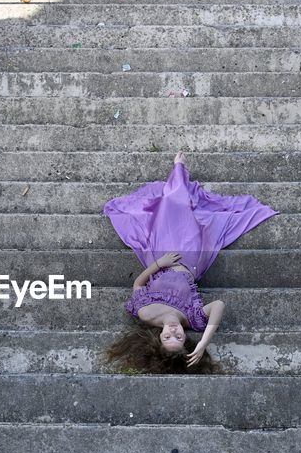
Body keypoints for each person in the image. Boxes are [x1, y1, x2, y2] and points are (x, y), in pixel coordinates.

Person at [102, 151, 277, 372]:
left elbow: (137, 285)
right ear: (186, 338)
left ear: (159, 338)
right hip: (191, 259)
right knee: (187, 215)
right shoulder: (193, 319)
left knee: (168, 207)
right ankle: (179, 172)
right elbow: (218, 306)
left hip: (160, 255)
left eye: (168, 337)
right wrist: (204, 341)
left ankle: (178, 172)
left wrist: (160, 264)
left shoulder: (146, 314)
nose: (174, 331)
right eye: (179, 337)